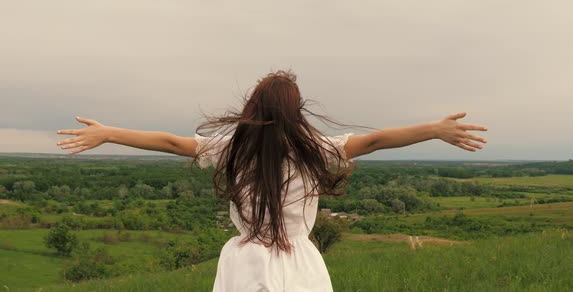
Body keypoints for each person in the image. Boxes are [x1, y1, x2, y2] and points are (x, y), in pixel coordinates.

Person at [56, 70, 488, 291]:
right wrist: (432, 129)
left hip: (244, 259)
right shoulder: (314, 148)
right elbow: (373, 141)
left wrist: (108, 132)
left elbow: (172, 143)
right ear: (296, 111)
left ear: (251, 106)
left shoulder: (231, 145)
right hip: (298, 261)